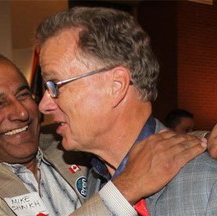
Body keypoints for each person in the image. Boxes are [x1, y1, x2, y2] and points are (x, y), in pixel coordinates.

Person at [0, 52, 209, 216]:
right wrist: (124, 189)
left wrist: (207, 137)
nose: (22, 112)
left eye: (23, 94)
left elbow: (133, 136)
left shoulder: (64, 143)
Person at [36, 7, 217, 215]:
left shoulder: (207, 183)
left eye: (55, 85)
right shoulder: (85, 173)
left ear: (116, 85)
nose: (43, 105)